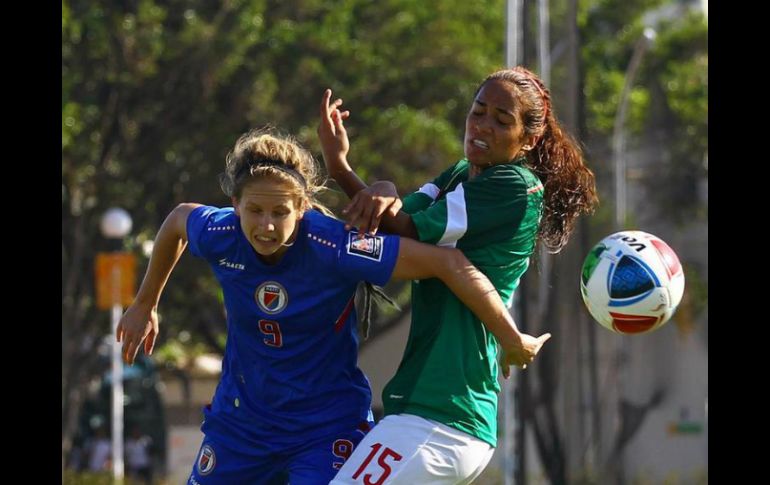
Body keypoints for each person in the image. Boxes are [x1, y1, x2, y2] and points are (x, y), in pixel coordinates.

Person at [117, 127, 549, 484]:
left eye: (280, 212)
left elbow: (450, 262)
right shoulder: (221, 232)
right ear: (235, 205)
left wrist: (509, 337)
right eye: (255, 210)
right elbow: (177, 220)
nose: (266, 225)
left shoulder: (335, 245)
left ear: (302, 208)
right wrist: (145, 302)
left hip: (323, 432)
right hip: (241, 428)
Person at [318, 65, 598, 484]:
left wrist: (382, 188)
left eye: (502, 121)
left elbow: (407, 228)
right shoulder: (461, 174)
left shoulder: (513, 185)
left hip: (444, 416)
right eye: (478, 111)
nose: (482, 126)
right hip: (426, 411)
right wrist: (340, 166)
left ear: (530, 138)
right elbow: (393, 220)